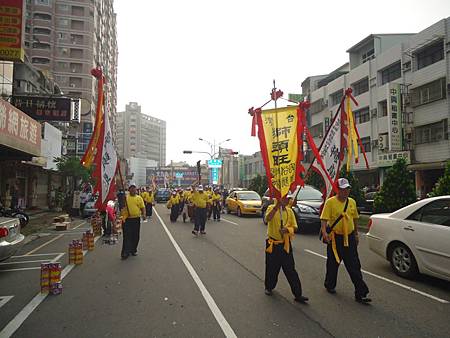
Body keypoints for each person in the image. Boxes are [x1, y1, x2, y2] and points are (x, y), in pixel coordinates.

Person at [320, 177, 371, 303]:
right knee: (333, 263)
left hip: (349, 238)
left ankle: (361, 293)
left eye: (347, 189)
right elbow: (324, 219)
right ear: (338, 190)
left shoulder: (352, 202)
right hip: (335, 238)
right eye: (343, 189)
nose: (346, 191)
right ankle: (330, 284)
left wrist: (356, 234)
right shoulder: (330, 202)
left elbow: (354, 219)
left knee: (354, 265)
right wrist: (324, 232)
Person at [264, 196, 308, 303]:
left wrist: (287, 229)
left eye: (288, 199)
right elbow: (267, 219)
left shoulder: (289, 211)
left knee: (291, 270)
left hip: (286, 245)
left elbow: (295, 227)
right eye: (285, 198)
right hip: (273, 244)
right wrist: (276, 207)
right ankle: (269, 287)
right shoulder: (271, 208)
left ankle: (298, 294)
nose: (287, 201)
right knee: (272, 268)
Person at [120, 183, 146, 259]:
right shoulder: (125, 197)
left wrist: (144, 214)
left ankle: (133, 250)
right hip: (127, 219)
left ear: (136, 189)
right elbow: (121, 206)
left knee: (135, 236)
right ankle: (125, 252)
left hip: (136, 219)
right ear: (129, 189)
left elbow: (142, 207)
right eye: (131, 188)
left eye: (134, 188)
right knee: (127, 236)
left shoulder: (139, 198)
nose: (133, 189)